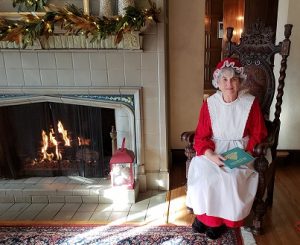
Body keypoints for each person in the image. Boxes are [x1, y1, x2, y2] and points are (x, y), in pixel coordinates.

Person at [186, 57, 267, 240]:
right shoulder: (210, 104)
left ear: (240, 81)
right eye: (224, 79)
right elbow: (201, 136)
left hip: (241, 152)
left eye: (233, 79)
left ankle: (221, 222)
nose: (229, 84)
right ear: (218, 82)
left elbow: (258, 133)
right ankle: (205, 217)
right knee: (202, 172)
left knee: (229, 178)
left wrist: (244, 154)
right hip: (214, 150)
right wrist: (210, 155)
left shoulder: (250, 104)